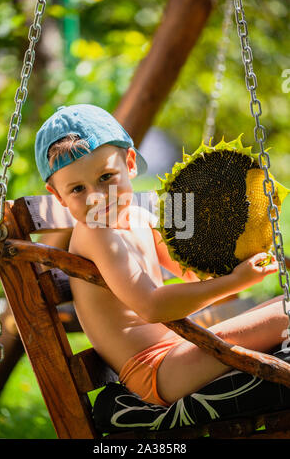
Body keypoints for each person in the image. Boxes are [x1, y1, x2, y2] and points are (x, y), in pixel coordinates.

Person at [35, 104, 288, 407]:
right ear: (58, 196)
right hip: (157, 371)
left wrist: (237, 240)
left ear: (129, 163)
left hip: (180, 351)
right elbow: (152, 307)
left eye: (106, 177)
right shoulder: (95, 232)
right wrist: (235, 282)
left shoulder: (141, 218)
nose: (97, 196)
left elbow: (194, 272)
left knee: (282, 306)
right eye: (77, 189)